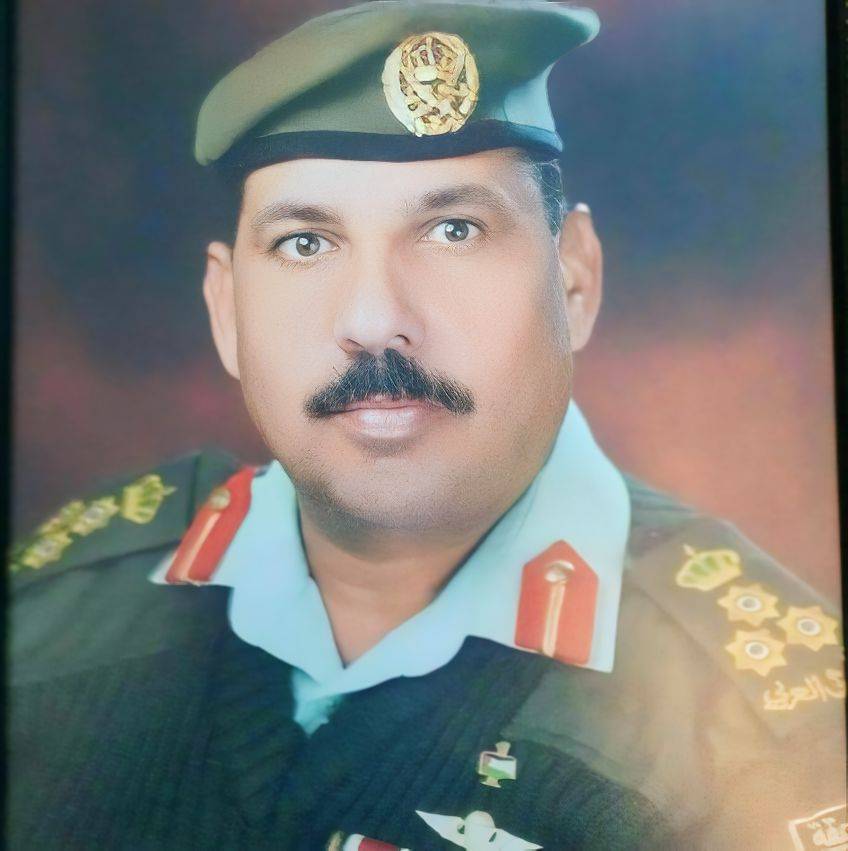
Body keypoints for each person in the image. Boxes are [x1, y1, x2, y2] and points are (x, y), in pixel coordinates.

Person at [9, 1, 845, 849]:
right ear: (225, 310)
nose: (375, 320)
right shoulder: (52, 621)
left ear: (575, 281)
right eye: (305, 243)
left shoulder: (771, 749)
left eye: (454, 230)